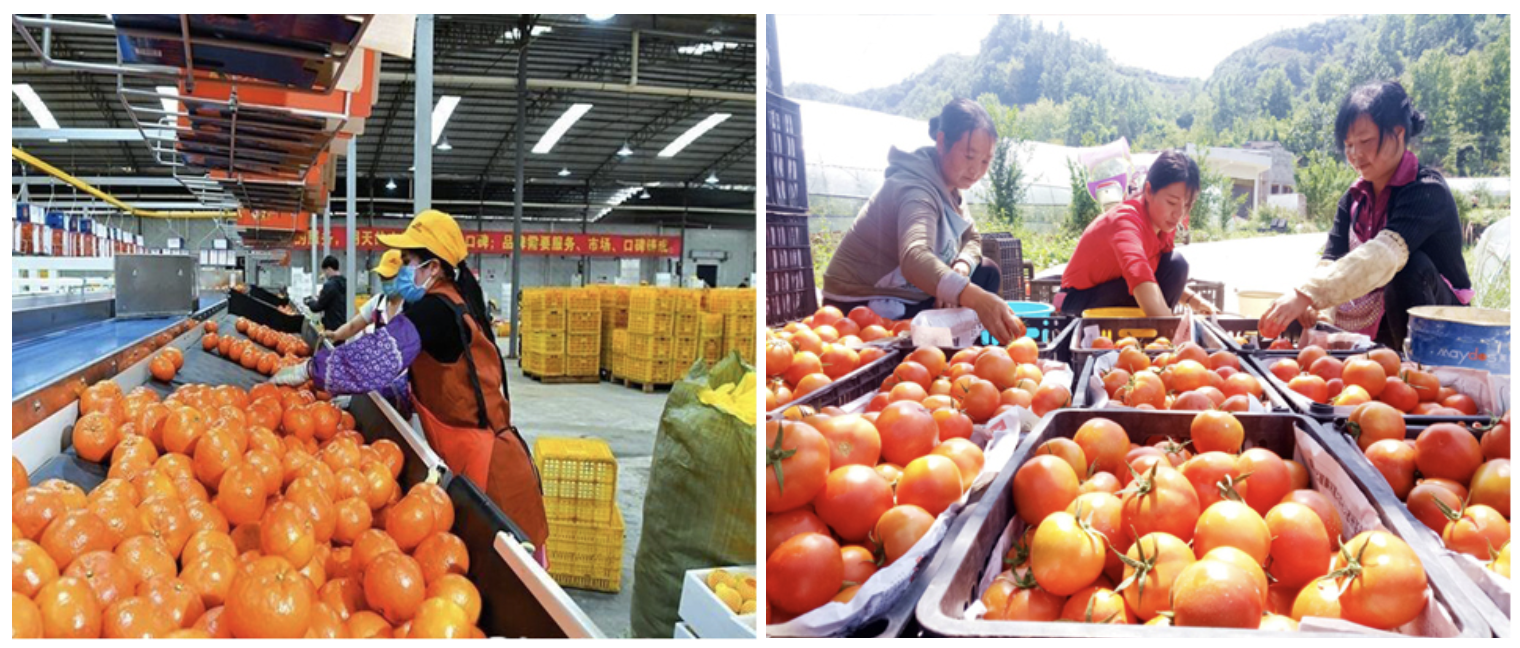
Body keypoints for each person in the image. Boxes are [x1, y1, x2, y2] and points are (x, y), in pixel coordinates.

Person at [272, 210, 549, 560]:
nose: (402, 270)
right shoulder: (448, 304)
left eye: (407, 262)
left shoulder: (437, 310)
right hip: (473, 463)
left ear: (433, 267)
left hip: (493, 476)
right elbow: (433, 381)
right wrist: (380, 397)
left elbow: (378, 355)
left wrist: (312, 369)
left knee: (509, 575)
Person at [1259, 80, 1471, 347]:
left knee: (1408, 268)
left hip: (1444, 330)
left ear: (1399, 133)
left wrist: (1307, 294)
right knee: (1298, 309)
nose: (1355, 154)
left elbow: (1382, 255)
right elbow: (1331, 260)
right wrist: (1316, 308)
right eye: (1348, 144)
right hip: (1385, 322)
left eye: (1365, 141)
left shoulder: (1426, 190)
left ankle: (1415, 366)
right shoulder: (1352, 199)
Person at [821, 98, 1024, 342]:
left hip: (910, 293)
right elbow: (914, 258)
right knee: (973, 296)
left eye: (985, 161)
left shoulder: (951, 188)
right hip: (866, 300)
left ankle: (964, 353)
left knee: (985, 271)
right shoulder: (915, 189)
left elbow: (972, 238)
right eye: (969, 156)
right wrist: (974, 297)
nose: (976, 170)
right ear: (942, 142)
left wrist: (961, 267)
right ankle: (952, 354)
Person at [1057, 150, 1217, 317]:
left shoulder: (1164, 226)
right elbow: (1140, 278)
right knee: (1147, 284)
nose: (1178, 214)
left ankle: (1155, 329)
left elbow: (1161, 278)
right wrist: (1173, 329)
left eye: (1187, 205)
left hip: (1115, 292)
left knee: (1175, 265)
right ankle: (1159, 329)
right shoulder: (1125, 221)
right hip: (1075, 303)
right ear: (1148, 191)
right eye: (1171, 202)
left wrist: (1195, 302)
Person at [324, 250, 406, 343]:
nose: (385, 282)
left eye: (390, 277)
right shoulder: (378, 302)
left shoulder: (411, 306)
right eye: (383, 277)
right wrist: (335, 335)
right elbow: (353, 326)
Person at [305, 255, 348, 333]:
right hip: (345, 325)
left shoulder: (330, 285)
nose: (325, 274)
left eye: (325, 271)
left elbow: (318, 307)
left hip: (332, 327)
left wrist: (309, 302)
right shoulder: (346, 282)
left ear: (329, 269)